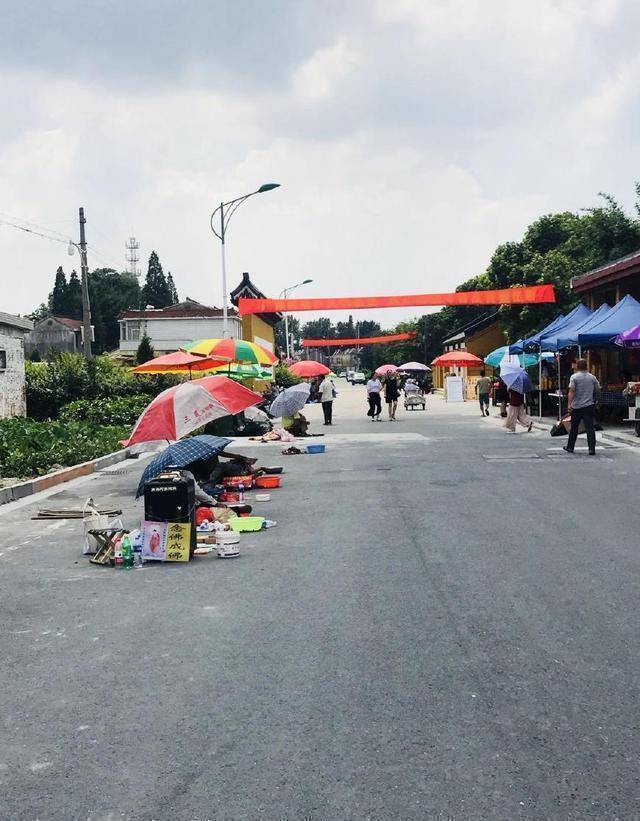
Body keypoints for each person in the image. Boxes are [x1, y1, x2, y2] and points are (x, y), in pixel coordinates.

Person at [563, 358, 600, 455]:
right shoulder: (592, 377)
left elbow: (571, 391)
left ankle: (570, 447)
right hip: (589, 406)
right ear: (586, 366)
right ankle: (591, 449)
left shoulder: (574, 377)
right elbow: (598, 389)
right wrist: (596, 400)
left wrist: (569, 405)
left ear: (577, 367)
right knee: (589, 428)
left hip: (577, 407)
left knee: (574, 428)